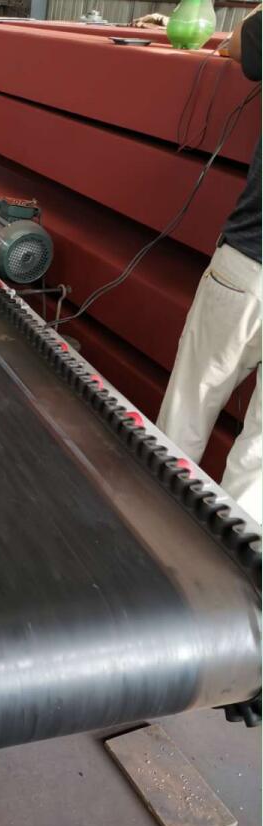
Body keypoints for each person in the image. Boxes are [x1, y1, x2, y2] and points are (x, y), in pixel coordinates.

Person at [157, 9, 262, 520]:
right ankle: (234, 562)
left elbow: (240, 44)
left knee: (188, 410)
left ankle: (158, 530)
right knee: (260, 454)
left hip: (249, 266)